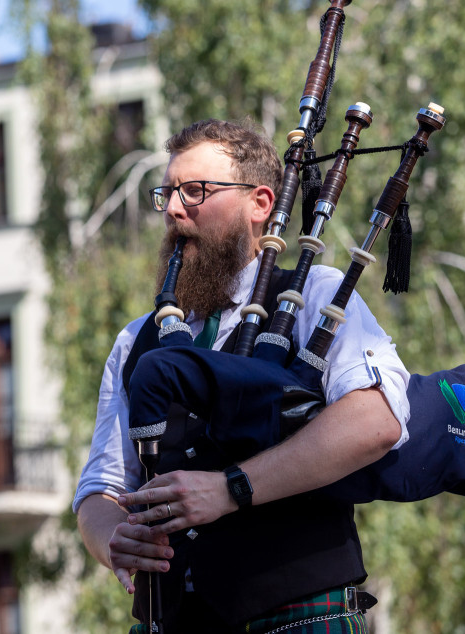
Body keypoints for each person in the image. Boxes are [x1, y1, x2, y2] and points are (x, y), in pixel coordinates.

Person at [72, 118, 411, 633]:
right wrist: (114, 537)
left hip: (297, 617)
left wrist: (230, 489)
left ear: (260, 204)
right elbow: (101, 489)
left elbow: (377, 419)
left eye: (195, 191)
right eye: (167, 193)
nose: (173, 208)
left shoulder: (312, 294)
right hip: (177, 621)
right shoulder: (136, 339)